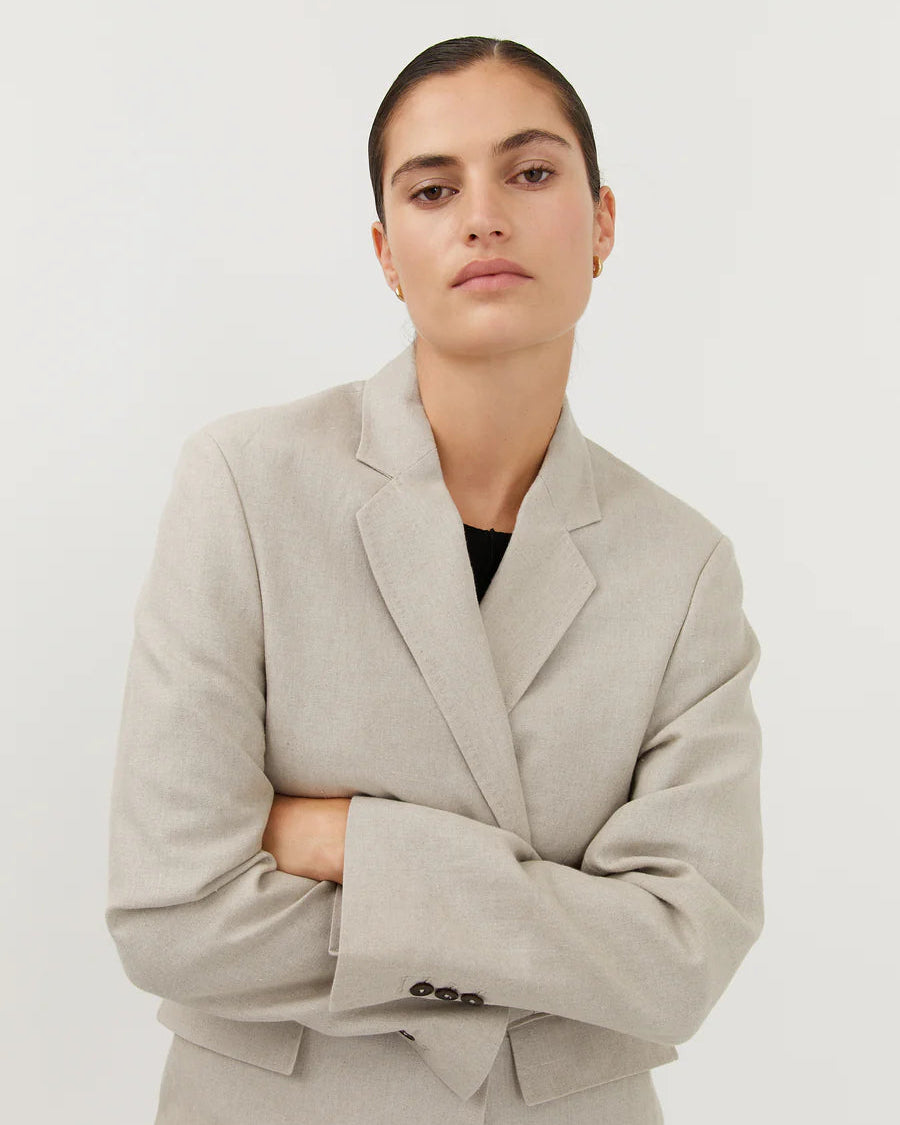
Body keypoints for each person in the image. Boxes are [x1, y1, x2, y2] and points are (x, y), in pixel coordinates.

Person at [105, 35, 764, 1125]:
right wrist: (559, 943)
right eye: (432, 187)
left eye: (533, 172)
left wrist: (353, 843)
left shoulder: (682, 567)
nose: (483, 215)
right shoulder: (246, 486)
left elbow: (681, 964)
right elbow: (173, 916)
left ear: (602, 224)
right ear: (385, 250)